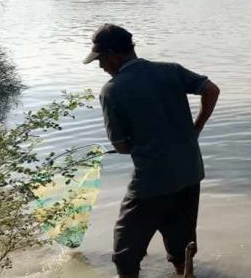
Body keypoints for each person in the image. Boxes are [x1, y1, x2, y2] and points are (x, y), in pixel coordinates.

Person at [83, 24, 220, 278]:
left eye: (101, 60)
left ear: (114, 54)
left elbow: (121, 147)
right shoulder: (170, 71)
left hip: (152, 181)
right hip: (190, 172)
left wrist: (137, 142)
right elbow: (211, 90)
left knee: (125, 251)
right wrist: (195, 129)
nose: (101, 67)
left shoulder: (112, 90)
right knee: (182, 242)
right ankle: (185, 274)